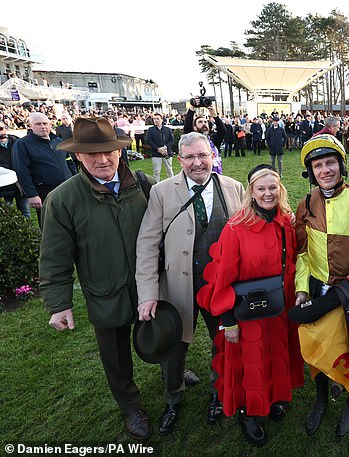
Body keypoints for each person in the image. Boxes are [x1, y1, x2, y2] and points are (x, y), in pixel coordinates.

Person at [39, 117, 153, 441]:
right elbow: (54, 256)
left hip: (149, 286)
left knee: (164, 334)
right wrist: (59, 304)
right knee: (115, 355)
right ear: (78, 156)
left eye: (108, 152)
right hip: (106, 291)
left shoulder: (141, 183)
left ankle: (172, 375)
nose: (103, 160)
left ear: (119, 151)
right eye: (92, 155)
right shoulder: (62, 199)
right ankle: (130, 405)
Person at [136, 132, 245, 435]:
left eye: (203, 155)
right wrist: (147, 294)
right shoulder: (161, 191)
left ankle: (218, 392)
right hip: (176, 285)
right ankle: (173, 397)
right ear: (180, 159)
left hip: (221, 289)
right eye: (190, 157)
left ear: (212, 156)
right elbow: (147, 244)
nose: (198, 163)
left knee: (223, 342)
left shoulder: (234, 188)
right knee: (174, 347)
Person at [196, 165, 304, 447]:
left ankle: (273, 398)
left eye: (273, 188)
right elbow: (222, 278)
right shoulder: (236, 228)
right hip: (248, 314)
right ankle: (248, 413)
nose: (268, 193)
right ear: (251, 192)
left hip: (278, 311)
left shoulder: (284, 222)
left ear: (279, 190)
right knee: (251, 361)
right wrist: (228, 319)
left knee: (275, 354)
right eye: (261, 188)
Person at [293, 134, 349, 437]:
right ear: (311, 172)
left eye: (330, 163)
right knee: (319, 348)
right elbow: (303, 254)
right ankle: (321, 398)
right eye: (318, 165)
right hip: (319, 290)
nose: (325, 170)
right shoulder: (306, 204)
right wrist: (301, 288)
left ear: (341, 166)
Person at [11, 112, 73, 224]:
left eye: (45, 123)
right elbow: (22, 171)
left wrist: (76, 180)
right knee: (50, 224)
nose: (43, 126)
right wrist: (32, 194)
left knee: (71, 220)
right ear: (30, 126)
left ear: (50, 124)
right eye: (38, 124)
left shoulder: (58, 141)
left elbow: (69, 162)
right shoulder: (22, 144)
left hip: (67, 188)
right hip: (44, 192)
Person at [184, 100, 225, 173]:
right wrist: (191, 109)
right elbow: (187, 128)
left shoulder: (213, 140)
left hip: (215, 175)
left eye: (205, 122)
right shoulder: (192, 141)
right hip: (198, 174)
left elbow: (222, 131)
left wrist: (215, 115)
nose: (204, 124)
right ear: (195, 127)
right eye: (200, 122)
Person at [0, 120, 30, 217]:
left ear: (6, 129)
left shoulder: (18, 143)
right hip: (4, 187)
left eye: (1, 128)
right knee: (7, 214)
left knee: (25, 212)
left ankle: (28, 232)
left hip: (21, 185)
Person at [145, 113, 174, 182]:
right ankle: (156, 186)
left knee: (169, 170)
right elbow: (149, 141)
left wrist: (165, 147)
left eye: (157, 119)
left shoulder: (167, 129)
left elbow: (171, 140)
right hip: (156, 154)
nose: (155, 120)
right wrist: (158, 149)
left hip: (167, 153)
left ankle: (173, 184)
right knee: (156, 172)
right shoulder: (151, 130)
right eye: (154, 119)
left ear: (162, 119)